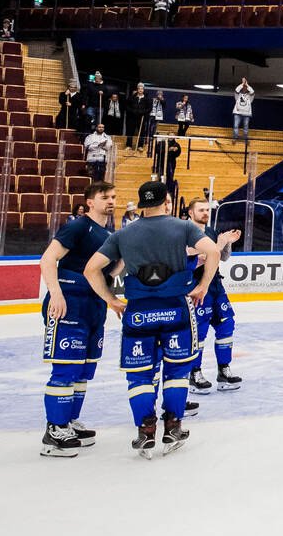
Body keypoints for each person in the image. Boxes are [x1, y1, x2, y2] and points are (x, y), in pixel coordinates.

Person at [81, 180, 220, 459]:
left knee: (140, 375)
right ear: (165, 200)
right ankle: (172, 426)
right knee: (177, 371)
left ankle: (145, 430)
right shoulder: (183, 227)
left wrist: (111, 299)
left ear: (142, 204)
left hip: (138, 312)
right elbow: (214, 251)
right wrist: (203, 285)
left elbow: (91, 269)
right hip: (176, 309)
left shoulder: (123, 234)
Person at [35, 181, 120, 457]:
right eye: (104, 197)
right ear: (89, 202)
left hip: (93, 305)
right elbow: (48, 259)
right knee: (66, 368)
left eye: (114, 197)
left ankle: (68, 421)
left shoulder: (109, 233)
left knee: (84, 370)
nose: (111, 201)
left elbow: (111, 271)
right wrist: (56, 294)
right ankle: (55, 429)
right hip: (69, 302)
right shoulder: (78, 226)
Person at [183, 198, 242, 394]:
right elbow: (190, 262)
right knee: (198, 333)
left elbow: (221, 257)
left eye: (207, 210)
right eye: (201, 210)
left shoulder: (210, 231)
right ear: (191, 213)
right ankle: (194, 373)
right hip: (196, 287)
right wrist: (218, 244)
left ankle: (224, 370)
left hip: (216, 286)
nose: (205, 213)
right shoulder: (184, 233)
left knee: (227, 325)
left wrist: (227, 244)